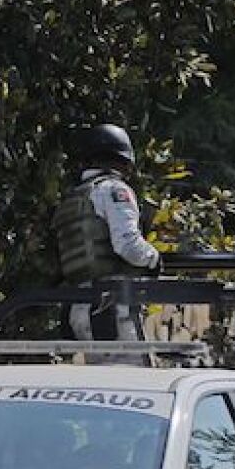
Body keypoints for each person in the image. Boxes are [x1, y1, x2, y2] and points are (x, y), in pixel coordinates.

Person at [53, 123, 162, 345]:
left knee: (101, 376)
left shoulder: (74, 198)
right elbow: (127, 245)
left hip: (80, 305)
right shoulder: (114, 190)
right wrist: (154, 259)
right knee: (132, 377)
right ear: (122, 159)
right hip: (112, 307)